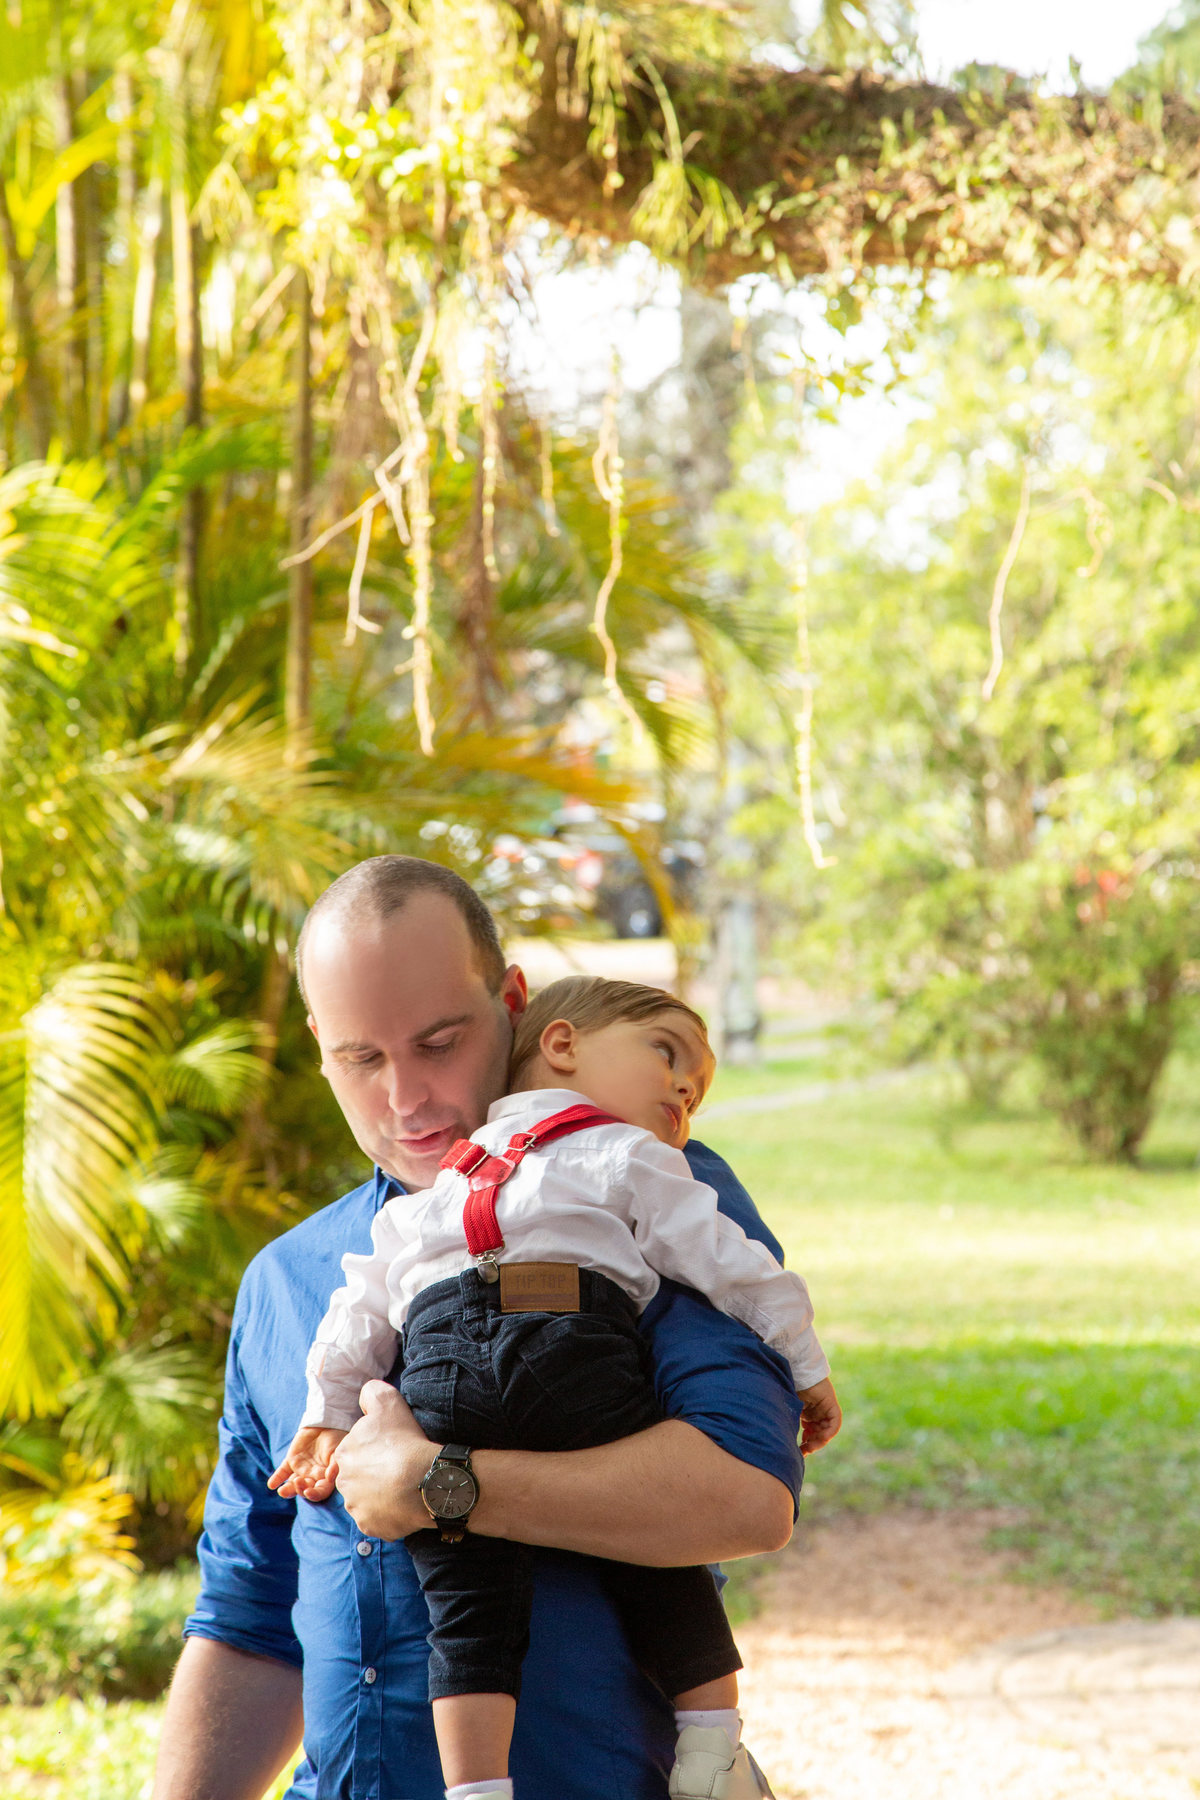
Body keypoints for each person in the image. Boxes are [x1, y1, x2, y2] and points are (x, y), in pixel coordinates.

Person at [155, 856, 842, 1800]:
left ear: (514, 1005)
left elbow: (745, 1500)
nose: (406, 1100)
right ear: (320, 1046)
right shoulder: (285, 1282)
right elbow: (250, 1619)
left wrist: (442, 1486)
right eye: (362, 1058)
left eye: (440, 1042)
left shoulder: (645, 1189)